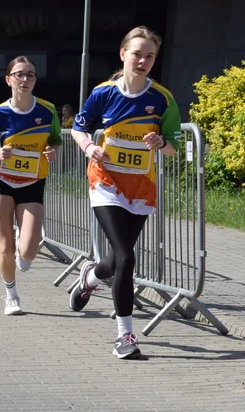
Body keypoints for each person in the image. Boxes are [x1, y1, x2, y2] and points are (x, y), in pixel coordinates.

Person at [68, 27, 181, 360]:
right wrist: (90, 147)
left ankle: (89, 276)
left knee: (117, 259)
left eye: (150, 56)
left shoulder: (162, 98)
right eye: (137, 54)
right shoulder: (104, 93)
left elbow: (174, 146)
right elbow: (78, 127)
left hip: (140, 187)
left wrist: (162, 143)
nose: (143, 61)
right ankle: (125, 336)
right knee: (127, 258)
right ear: (123, 54)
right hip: (105, 182)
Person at [0, 57, 62, 316]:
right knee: (6, 246)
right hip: (2, 182)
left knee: (28, 250)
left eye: (31, 75)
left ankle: (22, 259)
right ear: (8, 79)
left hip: (33, 182)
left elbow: (55, 140)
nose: (25, 80)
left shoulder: (47, 111)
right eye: (19, 75)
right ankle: (11, 295)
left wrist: (52, 151)